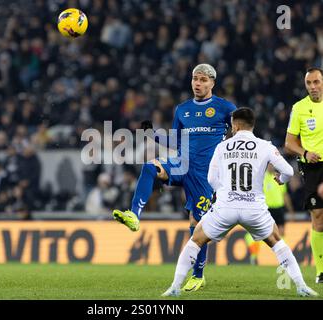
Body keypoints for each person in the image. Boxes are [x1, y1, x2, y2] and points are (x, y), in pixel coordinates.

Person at [162, 108, 318, 297]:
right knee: (277, 243)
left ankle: (175, 287)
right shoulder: (265, 146)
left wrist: (223, 193)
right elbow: (289, 171)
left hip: (226, 207)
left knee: (195, 240)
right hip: (254, 208)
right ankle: (301, 286)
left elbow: (211, 178)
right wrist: (281, 180)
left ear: (235, 125)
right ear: (253, 125)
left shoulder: (222, 146)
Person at [113, 63, 236, 291]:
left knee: (197, 224)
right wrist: (154, 136)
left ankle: (198, 275)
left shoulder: (225, 108)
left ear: (212, 83)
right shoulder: (182, 110)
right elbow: (177, 142)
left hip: (203, 174)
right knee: (150, 167)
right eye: (194, 79)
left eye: (203, 80)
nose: (197, 83)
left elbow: (241, 136)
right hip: (181, 164)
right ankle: (134, 215)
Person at [285, 67, 323, 284]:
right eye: (309, 84)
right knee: (318, 217)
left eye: (316, 82)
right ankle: (321, 271)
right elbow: (289, 143)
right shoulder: (299, 108)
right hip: (312, 167)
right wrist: (305, 153)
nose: (313, 87)